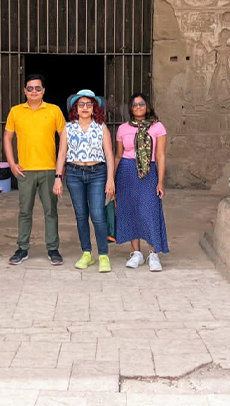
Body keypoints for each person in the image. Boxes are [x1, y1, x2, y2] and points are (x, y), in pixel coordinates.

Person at [4, 74, 66, 265]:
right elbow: (7, 138)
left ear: (43, 91)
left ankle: (53, 248)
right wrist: (12, 163)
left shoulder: (54, 110)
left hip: (49, 169)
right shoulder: (16, 111)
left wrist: (59, 170)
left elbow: (64, 139)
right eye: (30, 88)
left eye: (38, 88)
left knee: (51, 211)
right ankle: (22, 248)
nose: (33, 91)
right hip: (25, 170)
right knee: (24, 211)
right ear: (24, 91)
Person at [53, 90, 116, 272]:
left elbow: (109, 155)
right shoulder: (68, 128)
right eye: (81, 104)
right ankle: (87, 253)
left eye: (89, 104)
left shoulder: (101, 127)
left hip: (98, 174)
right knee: (81, 215)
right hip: (74, 174)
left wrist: (110, 179)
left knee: (97, 215)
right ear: (76, 108)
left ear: (94, 107)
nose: (85, 108)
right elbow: (62, 153)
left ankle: (103, 255)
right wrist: (58, 178)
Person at [114, 93, 168, 271]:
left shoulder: (157, 127)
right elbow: (118, 155)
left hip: (148, 172)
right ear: (130, 108)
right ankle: (136, 253)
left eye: (142, 104)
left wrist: (160, 182)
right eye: (135, 104)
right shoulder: (123, 128)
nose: (138, 107)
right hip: (126, 172)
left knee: (149, 211)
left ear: (147, 106)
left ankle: (153, 254)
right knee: (130, 211)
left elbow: (160, 156)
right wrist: (111, 180)